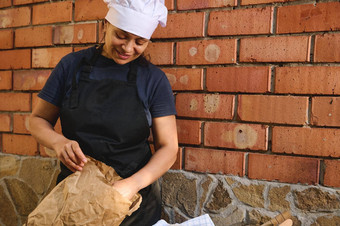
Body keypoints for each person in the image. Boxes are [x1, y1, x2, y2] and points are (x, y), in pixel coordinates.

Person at [28, 0, 178, 225]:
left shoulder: (153, 80)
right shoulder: (70, 66)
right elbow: (36, 120)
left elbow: (169, 147)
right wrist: (58, 142)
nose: (128, 48)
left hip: (132, 201)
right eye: (121, 35)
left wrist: (132, 185)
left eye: (140, 41)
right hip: (77, 195)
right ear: (105, 25)